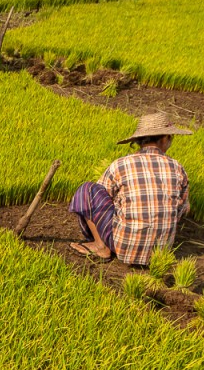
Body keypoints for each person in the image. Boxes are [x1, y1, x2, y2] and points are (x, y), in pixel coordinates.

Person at [69, 112, 192, 266]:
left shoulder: (121, 164)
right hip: (161, 253)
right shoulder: (177, 167)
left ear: (139, 141)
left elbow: (102, 196)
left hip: (124, 248)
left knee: (87, 189)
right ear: (165, 138)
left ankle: (101, 246)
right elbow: (182, 209)